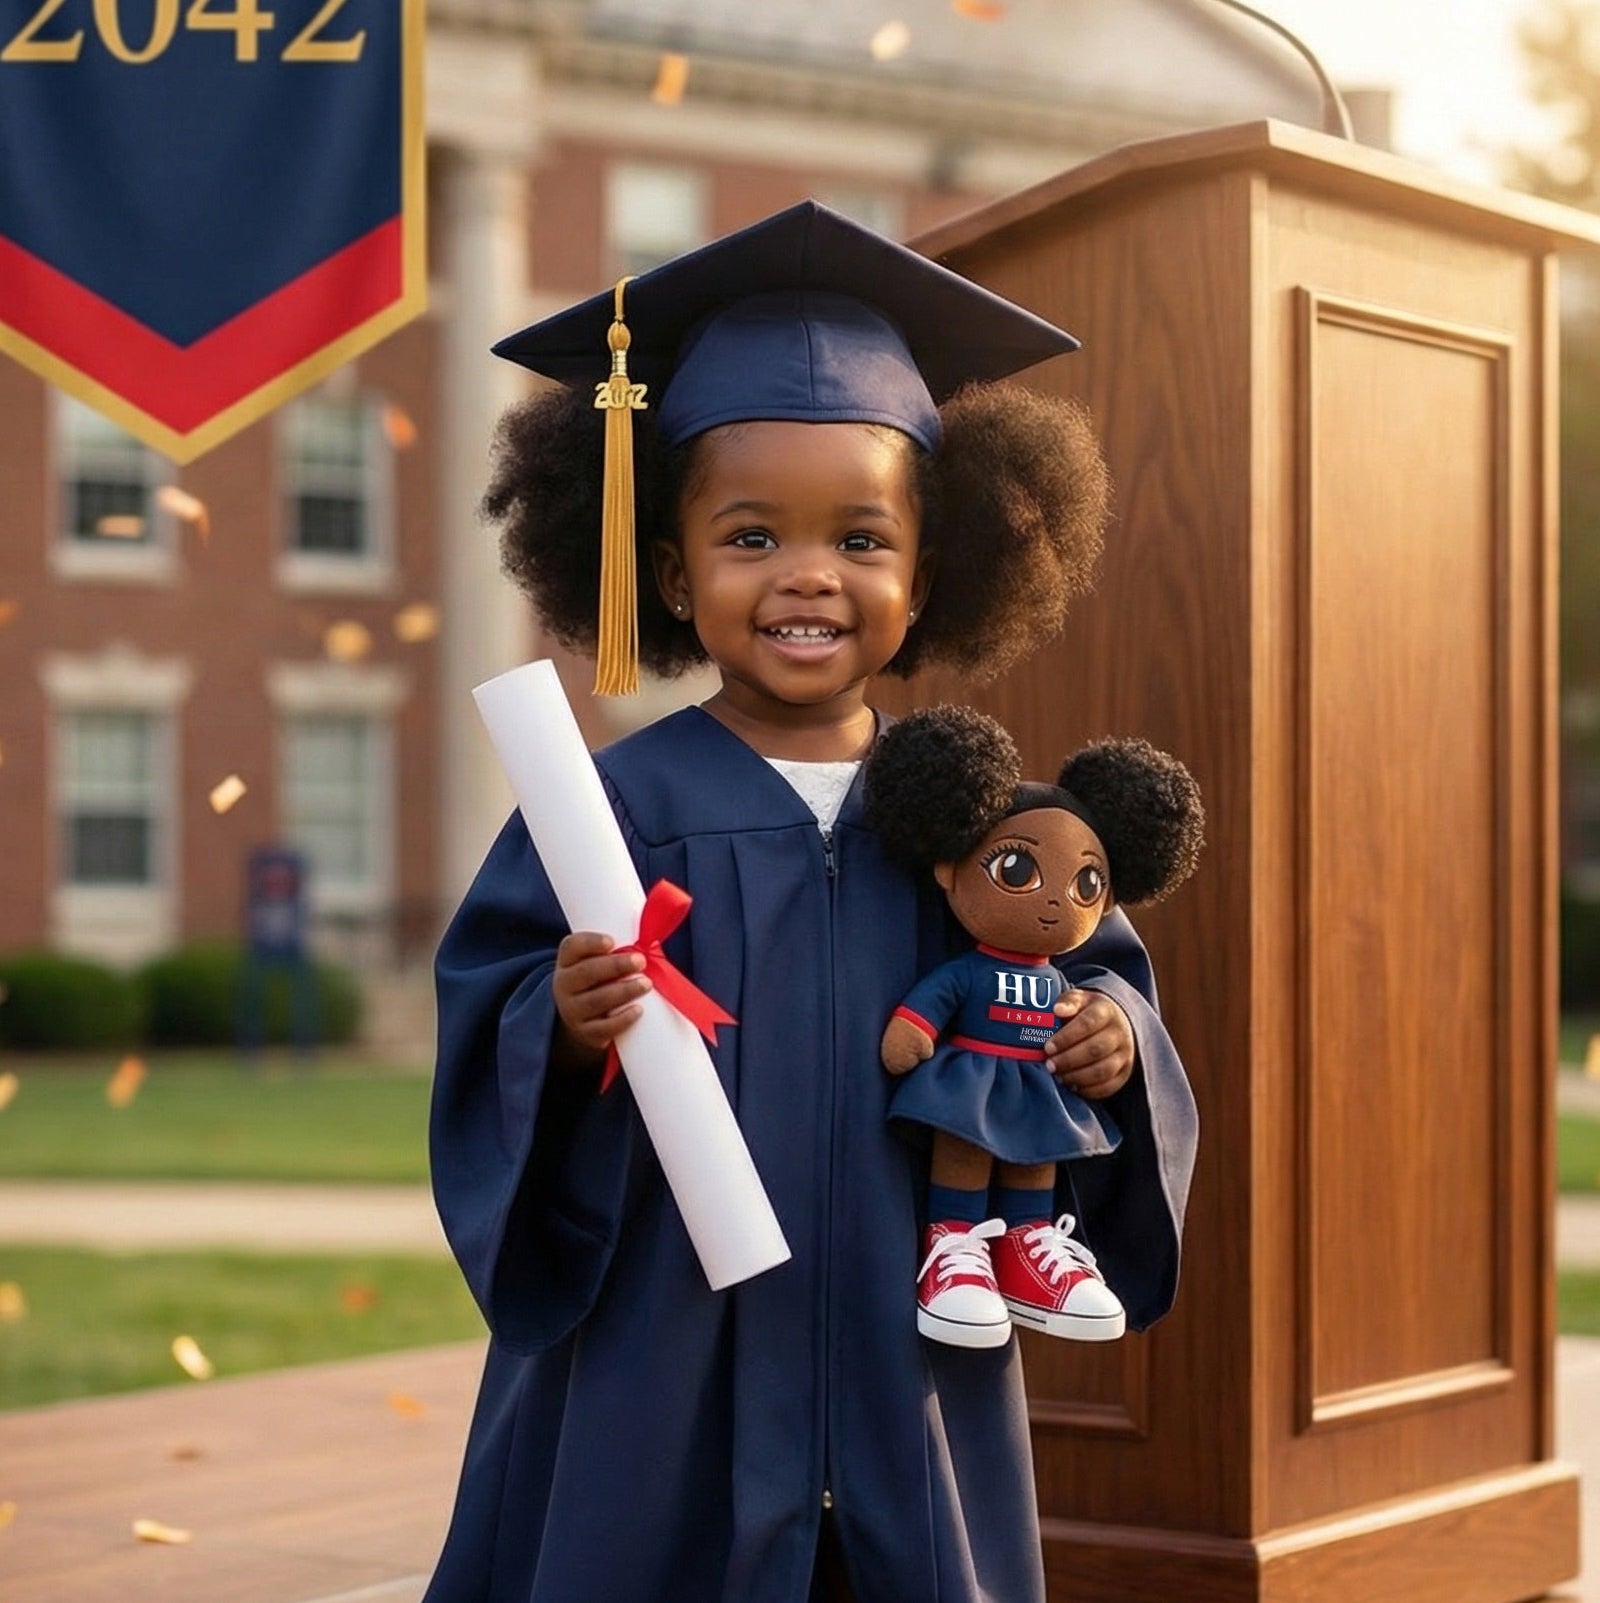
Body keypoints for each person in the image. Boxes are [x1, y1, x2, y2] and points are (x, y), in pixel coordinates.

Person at [424, 201, 1198, 1603]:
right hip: (665, 1330)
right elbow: (494, 1026)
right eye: (749, 536)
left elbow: (1096, 977)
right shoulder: (612, 810)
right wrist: (568, 1024)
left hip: (912, 1320)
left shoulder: (982, 819)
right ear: (670, 572)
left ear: (927, 574)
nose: (808, 575)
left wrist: (1110, 1043)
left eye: (861, 538)